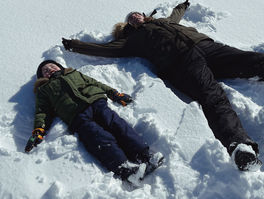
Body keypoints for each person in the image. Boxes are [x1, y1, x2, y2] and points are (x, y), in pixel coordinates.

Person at [61, 0, 264, 171]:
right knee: (213, 96)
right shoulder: (130, 41)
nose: (135, 16)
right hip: (182, 63)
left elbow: (175, 16)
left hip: (207, 48)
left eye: (137, 13)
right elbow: (103, 50)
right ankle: (239, 146)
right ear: (126, 26)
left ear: (144, 15)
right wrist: (75, 45)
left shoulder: (163, 21)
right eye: (130, 18)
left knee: (257, 62)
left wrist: (182, 7)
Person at [25, 60, 164, 183]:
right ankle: (125, 169)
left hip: (97, 103)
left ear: (59, 67)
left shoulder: (73, 73)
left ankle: (144, 156)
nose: (49, 69)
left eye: (51, 66)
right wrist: (39, 129)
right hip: (76, 115)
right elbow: (42, 111)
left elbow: (94, 83)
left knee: (117, 125)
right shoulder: (44, 90)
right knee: (98, 137)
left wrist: (114, 93)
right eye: (45, 71)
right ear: (42, 77)